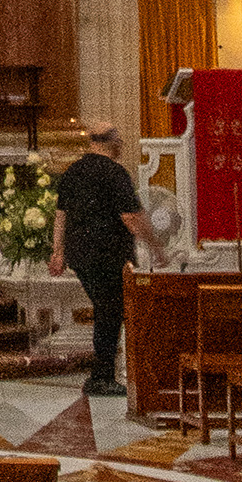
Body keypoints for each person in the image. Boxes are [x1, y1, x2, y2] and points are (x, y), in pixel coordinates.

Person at [50, 121, 153, 397]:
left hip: (80, 255)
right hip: (109, 255)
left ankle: (102, 373)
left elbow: (61, 216)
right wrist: (156, 246)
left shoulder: (73, 171)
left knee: (107, 311)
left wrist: (57, 252)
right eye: (119, 141)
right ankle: (101, 377)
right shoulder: (115, 173)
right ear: (113, 143)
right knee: (110, 312)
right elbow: (131, 218)